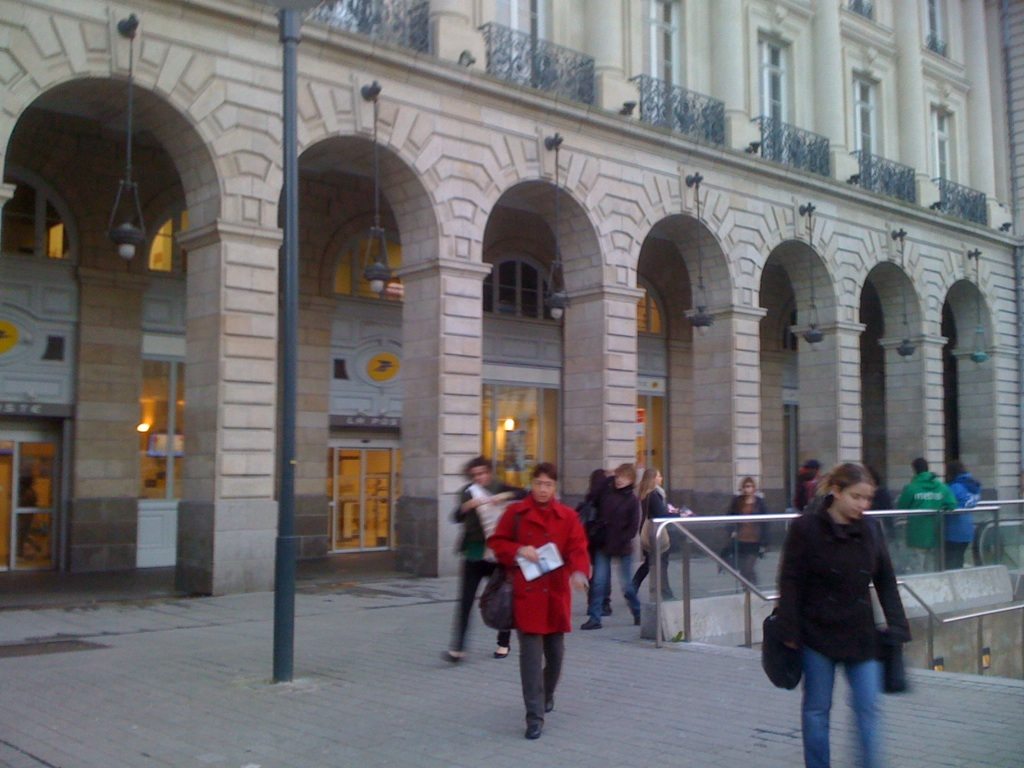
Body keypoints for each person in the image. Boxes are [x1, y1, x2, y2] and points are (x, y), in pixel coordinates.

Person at [777, 462, 911, 768]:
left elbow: (886, 580)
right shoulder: (805, 528)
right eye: (857, 497)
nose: (864, 505)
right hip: (816, 632)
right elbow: (791, 580)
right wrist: (790, 630)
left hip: (860, 633)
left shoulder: (871, 528)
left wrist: (898, 625)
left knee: (868, 707)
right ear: (836, 492)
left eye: (868, 499)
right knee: (816, 710)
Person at [488, 462, 590, 740]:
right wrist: (519, 549)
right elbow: (497, 543)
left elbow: (578, 548)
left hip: (556, 595)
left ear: (555, 487)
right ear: (531, 484)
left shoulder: (567, 516)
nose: (543, 489)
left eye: (548, 485)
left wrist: (580, 572)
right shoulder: (516, 512)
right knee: (530, 659)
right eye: (539, 484)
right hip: (527, 594)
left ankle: (547, 693)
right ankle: (534, 716)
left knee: (555, 656)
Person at [444, 456, 523, 663]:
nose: (479, 478)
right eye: (475, 475)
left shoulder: (499, 486)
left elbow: (523, 493)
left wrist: (504, 496)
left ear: (489, 472)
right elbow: (455, 517)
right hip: (474, 553)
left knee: (503, 599)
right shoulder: (467, 492)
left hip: (497, 555)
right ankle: (458, 648)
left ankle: (503, 643)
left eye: (483, 473)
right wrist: (466, 507)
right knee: (465, 601)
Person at [581, 463, 642, 630]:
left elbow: (633, 527)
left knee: (627, 586)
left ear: (631, 480)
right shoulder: (607, 492)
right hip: (603, 543)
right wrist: (606, 476)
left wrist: (622, 539)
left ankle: (638, 613)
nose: (620, 480)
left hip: (622, 547)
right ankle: (595, 617)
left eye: (624, 477)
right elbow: (593, 493)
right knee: (599, 582)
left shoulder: (632, 500)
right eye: (618, 476)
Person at [896, 457, 957, 573]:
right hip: (935, 532)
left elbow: (901, 507)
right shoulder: (941, 487)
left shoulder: (911, 488)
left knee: (916, 568)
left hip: (916, 534)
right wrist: (938, 508)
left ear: (914, 470)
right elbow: (952, 504)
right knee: (932, 568)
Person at [631, 467, 676, 599]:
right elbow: (661, 514)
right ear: (653, 479)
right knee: (661, 562)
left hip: (647, 532)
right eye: (659, 476)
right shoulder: (654, 494)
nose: (661, 478)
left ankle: (633, 586)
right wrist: (677, 514)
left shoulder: (645, 494)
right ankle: (665, 592)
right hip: (656, 533)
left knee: (650, 562)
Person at [723, 476, 768, 584]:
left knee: (748, 567)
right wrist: (731, 531)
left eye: (751, 486)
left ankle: (753, 587)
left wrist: (765, 542)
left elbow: (765, 522)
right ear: (743, 488)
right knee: (743, 569)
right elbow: (730, 516)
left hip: (754, 540)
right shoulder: (738, 501)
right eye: (747, 486)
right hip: (741, 539)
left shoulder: (759, 502)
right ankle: (749, 588)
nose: (749, 489)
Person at [581, 468, 613, 617]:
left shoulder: (589, 497)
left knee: (595, 573)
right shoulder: (605, 496)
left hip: (589, 538)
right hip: (602, 539)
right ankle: (603, 603)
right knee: (603, 573)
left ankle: (593, 602)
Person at [945, 461, 981, 569]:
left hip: (953, 530)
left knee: (950, 562)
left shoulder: (954, 487)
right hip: (967, 529)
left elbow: (946, 502)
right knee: (959, 559)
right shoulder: (972, 486)